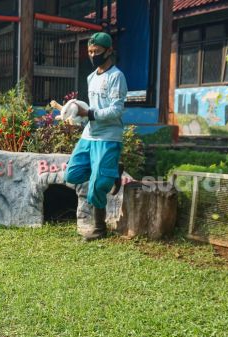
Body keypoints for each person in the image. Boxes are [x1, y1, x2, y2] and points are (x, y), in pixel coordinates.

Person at [64, 32, 127, 241]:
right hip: (89, 135)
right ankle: (109, 172)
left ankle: (99, 229)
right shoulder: (91, 77)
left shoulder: (116, 76)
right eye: (90, 51)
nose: (92, 55)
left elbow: (116, 110)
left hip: (109, 136)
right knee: (72, 174)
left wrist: (89, 114)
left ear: (108, 51)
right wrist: (76, 116)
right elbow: (91, 108)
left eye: (96, 51)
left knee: (97, 186)